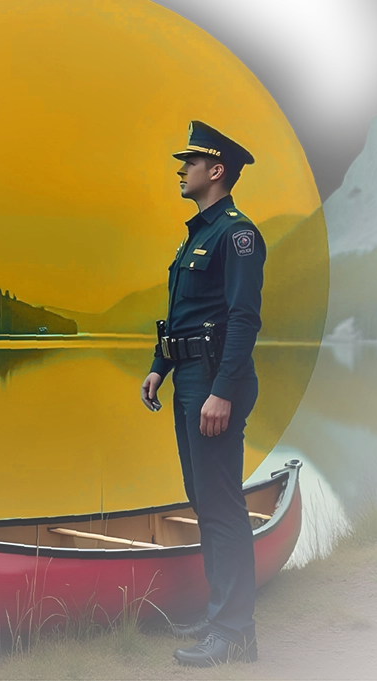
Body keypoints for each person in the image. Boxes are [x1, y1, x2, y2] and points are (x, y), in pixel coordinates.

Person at [140, 120, 265, 667]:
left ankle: (235, 633)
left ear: (216, 171)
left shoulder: (237, 235)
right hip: (190, 378)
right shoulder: (197, 233)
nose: (180, 170)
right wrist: (158, 368)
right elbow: (182, 316)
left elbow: (242, 318)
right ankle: (221, 615)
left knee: (222, 507)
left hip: (216, 382)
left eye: (188, 164)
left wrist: (222, 391)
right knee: (205, 501)